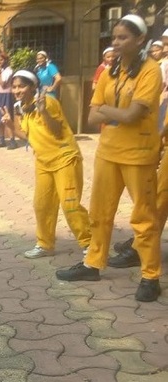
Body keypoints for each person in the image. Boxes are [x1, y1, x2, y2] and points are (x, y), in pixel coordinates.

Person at [55, 14, 163, 302]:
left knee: (143, 217)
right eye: (114, 37)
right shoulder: (109, 73)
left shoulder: (151, 71)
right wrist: (115, 114)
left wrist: (109, 112)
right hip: (108, 152)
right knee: (100, 212)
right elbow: (92, 116)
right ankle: (93, 263)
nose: (116, 42)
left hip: (139, 154)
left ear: (140, 39)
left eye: (123, 37)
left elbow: (132, 115)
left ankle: (150, 276)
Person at [0, 70, 91, 259]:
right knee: (41, 205)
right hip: (43, 162)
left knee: (70, 204)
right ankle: (45, 244)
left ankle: (90, 244)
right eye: (14, 86)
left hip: (65, 158)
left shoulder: (47, 102)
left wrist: (43, 111)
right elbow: (28, 137)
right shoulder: (20, 108)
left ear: (33, 87)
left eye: (21, 86)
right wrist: (10, 125)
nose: (17, 90)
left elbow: (57, 131)